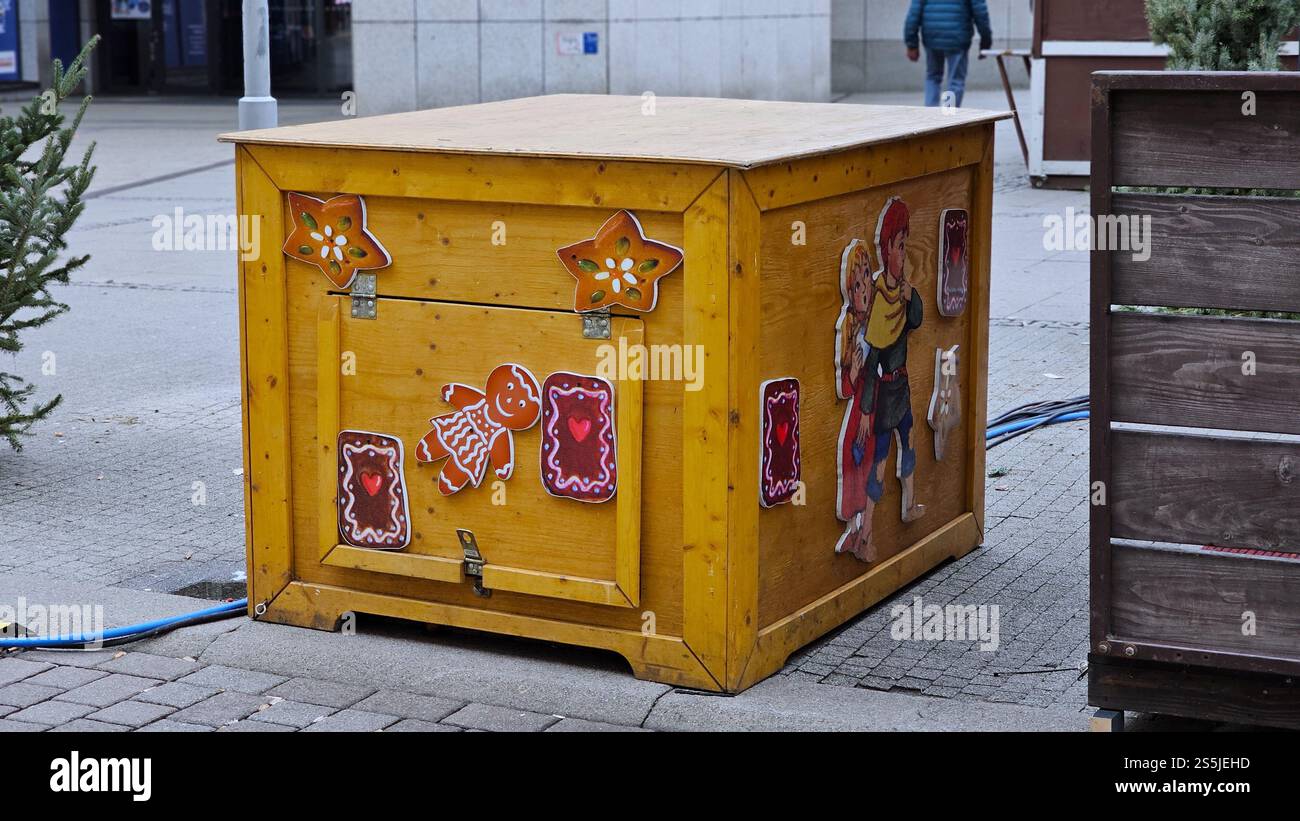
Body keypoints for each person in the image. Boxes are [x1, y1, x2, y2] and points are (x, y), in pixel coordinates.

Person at [835, 198, 927, 563]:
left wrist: (912, 296)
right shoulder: (877, 300)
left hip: (901, 386)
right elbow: (871, 357)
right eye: (899, 246)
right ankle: (867, 530)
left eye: (906, 246)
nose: (903, 254)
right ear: (886, 248)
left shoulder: (900, 292)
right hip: (884, 390)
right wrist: (869, 412)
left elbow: (916, 320)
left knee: (910, 437)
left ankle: (908, 502)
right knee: (879, 460)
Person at [904, 0, 994, 108]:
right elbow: (981, 13)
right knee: (955, 81)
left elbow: (914, 13)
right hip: (958, 38)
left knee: (933, 77)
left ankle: (931, 116)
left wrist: (911, 44)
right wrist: (985, 42)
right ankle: (949, 117)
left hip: (932, 36)